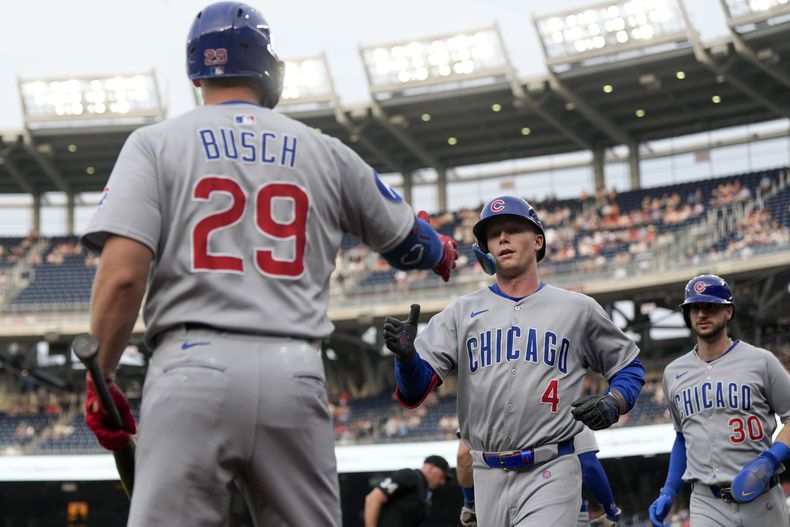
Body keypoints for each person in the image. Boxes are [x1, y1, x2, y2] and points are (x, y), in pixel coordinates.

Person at [79, 3, 458, 526]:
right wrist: (442, 251)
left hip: (189, 367)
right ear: (268, 67)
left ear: (196, 71)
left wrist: (100, 376)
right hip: (293, 369)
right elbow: (408, 242)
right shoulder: (324, 151)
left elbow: (122, 276)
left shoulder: (154, 143)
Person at [382, 196, 644, 526]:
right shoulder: (461, 312)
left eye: (512, 229)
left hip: (551, 467)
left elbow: (629, 367)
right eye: (494, 234)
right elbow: (414, 392)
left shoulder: (577, 308)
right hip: (487, 474)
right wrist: (406, 360)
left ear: (538, 241)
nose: (502, 238)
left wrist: (613, 402)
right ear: (486, 249)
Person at [648, 275, 790, 527]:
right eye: (694, 308)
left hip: (762, 496)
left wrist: (771, 458)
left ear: (729, 311)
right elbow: (682, 437)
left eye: (710, 306)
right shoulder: (673, 372)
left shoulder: (760, 360)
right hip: (707, 502)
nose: (702, 313)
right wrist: (669, 490)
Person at [456, 427, 622, 527]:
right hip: (551, 501)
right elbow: (589, 465)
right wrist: (610, 510)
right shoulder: (563, 389)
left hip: (493, 497)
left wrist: (469, 504)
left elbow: (464, 456)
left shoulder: (486, 394)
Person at [363, 455, 450, 527]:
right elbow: (373, 498)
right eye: (442, 476)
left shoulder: (423, 490)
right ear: (431, 467)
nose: (442, 482)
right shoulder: (410, 475)